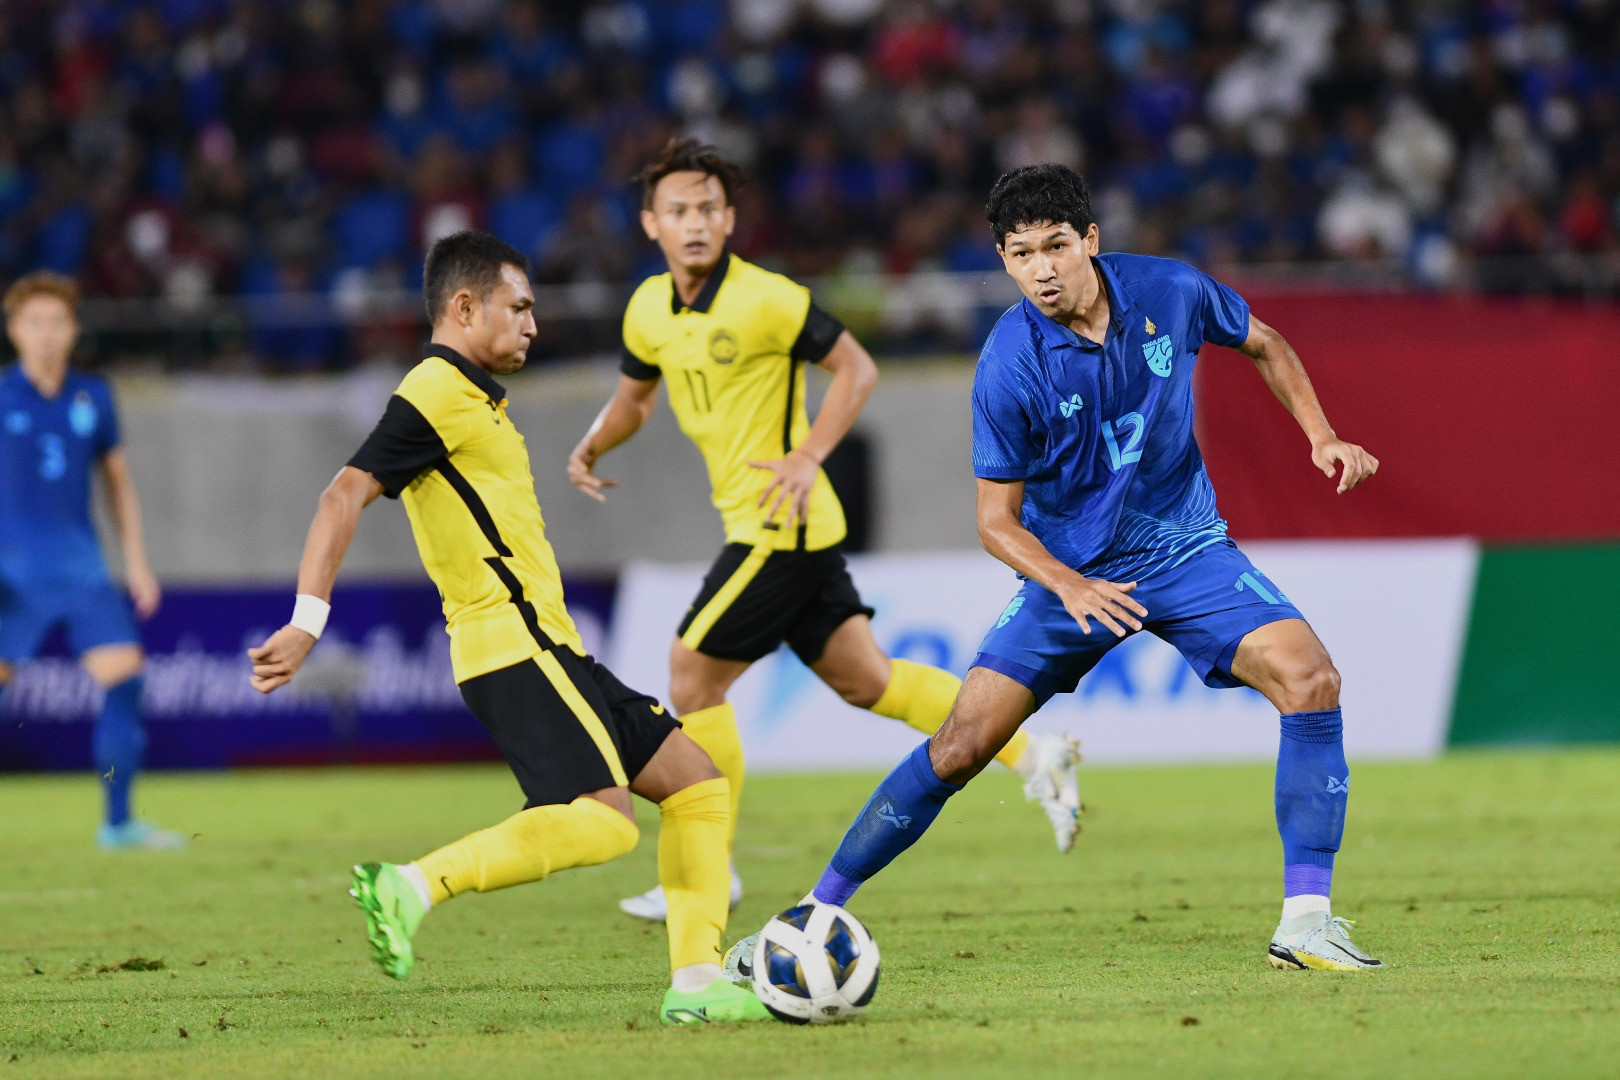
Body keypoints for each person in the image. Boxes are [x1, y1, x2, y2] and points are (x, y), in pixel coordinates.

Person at [738, 163, 1385, 973]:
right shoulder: (1010, 364)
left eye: (1054, 247)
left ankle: (1307, 921)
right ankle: (810, 913)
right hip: (1069, 573)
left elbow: (1265, 342)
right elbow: (993, 523)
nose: (1040, 269)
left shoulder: (1170, 291)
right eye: (1019, 254)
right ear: (1003, 261)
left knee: (1311, 680)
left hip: (1184, 548)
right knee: (962, 746)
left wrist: (1320, 434)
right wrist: (1069, 584)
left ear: (1091, 241)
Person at [247, 231, 771, 1024]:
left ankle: (696, 985)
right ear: (464, 307)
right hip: (511, 645)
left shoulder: (475, 397)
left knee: (697, 784)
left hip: (550, 646)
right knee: (604, 824)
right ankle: (413, 884)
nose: (533, 324)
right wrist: (307, 622)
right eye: (519, 307)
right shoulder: (434, 389)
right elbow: (342, 494)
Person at [568, 139, 1083, 924]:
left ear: (730, 217)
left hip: (780, 524)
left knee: (691, 674)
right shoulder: (647, 310)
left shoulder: (766, 298)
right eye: (678, 211)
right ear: (651, 225)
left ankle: (708, 871)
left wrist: (809, 454)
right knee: (868, 680)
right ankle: (1033, 752)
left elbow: (858, 368)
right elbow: (636, 398)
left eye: (709, 208)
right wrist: (597, 440)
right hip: (783, 530)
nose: (695, 222)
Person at [0, 272, 178, 851]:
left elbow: (118, 485)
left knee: (125, 680)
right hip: (12, 574)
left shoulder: (94, 397)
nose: (47, 334)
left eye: (57, 322)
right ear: (14, 331)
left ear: (73, 330)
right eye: (34, 323)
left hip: (82, 571)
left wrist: (138, 564)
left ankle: (119, 823)